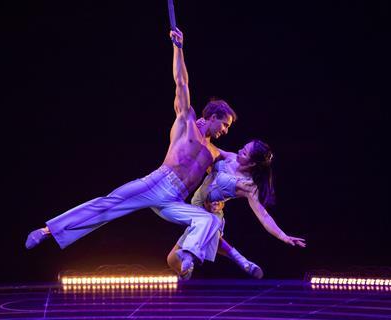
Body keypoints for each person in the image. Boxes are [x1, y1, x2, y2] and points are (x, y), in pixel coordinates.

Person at [25, 28, 250, 280]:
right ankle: (47, 231)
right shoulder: (186, 121)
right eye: (225, 124)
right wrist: (179, 47)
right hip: (157, 183)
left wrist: (261, 161)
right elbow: (181, 81)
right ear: (212, 116)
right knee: (108, 204)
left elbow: (243, 159)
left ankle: (188, 255)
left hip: (175, 201)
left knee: (209, 221)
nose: (226, 131)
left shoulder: (215, 152)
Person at [166, 139, 306, 278]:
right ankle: (189, 270)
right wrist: (199, 129)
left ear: (252, 163)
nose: (239, 152)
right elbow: (210, 149)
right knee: (172, 260)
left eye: (244, 153)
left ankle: (237, 261)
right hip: (196, 206)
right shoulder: (231, 158)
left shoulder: (248, 185)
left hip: (211, 213)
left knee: (205, 236)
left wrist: (283, 236)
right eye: (243, 148)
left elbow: (264, 216)